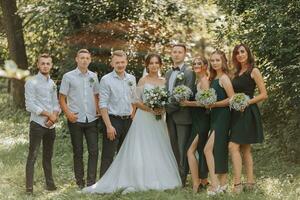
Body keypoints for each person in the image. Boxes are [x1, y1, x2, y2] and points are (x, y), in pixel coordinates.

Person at [83, 53, 181, 194]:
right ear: (147, 65)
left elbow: (163, 100)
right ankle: (109, 181)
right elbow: (136, 100)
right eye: (151, 63)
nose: (154, 65)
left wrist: (161, 109)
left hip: (156, 120)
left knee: (156, 148)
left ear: (160, 64)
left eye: (156, 63)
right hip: (141, 118)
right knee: (131, 150)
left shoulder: (156, 80)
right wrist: (150, 109)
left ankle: (152, 177)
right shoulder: (141, 80)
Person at [229, 44, 268, 193]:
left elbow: (264, 94)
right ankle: (250, 183)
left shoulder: (254, 71)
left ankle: (238, 185)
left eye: (242, 51)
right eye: (237, 53)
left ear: (248, 53)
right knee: (244, 149)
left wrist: (246, 102)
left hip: (248, 112)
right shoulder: (236, 72)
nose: (240, 55)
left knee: (233, 146)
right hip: (236, 113)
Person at [59, 49, 100, 189]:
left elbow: (96, 95)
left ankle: (91, 182)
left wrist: (98, 110)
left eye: (87, 58)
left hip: (92, 119)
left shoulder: (94, 76)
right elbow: (62, 98)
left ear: (90, 60)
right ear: (77, 59)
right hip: (75, 119)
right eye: (82, 57)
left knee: (94, 151)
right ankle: (80, 182)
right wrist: (68, 113)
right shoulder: (68, 76)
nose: (84, 60)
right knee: (78, 151)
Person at [24, 53, 60, 194]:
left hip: (50, 125)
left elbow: (56, 104)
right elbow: (30, 105)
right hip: (37, 125)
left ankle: (50, 185)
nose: (45, 65)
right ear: (38, 65)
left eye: (48, 63)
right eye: (42, 63)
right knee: (32, 156)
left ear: (51, 65)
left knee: (48, 156)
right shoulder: (31, 82)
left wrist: (53, 117)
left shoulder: (52, 83)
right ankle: (29, 189)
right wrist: (48, 114)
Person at [98, 50, 136, 178]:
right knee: (108, 154)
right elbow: (102, 104)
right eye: (117, 62)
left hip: (129, 121)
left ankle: (123, 181)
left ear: (126, 62)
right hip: (113, 121)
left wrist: (134, 114)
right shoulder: (106, 80)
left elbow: (134, 99)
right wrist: (108, 126)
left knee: (126, 153)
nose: (120, 65)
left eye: (122, 62)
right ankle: (103, 183)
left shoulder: (131, 78)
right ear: (112, 63)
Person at [204, 50, 234, 195]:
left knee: (207, 149)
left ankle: (215, 184)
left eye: (217, 60)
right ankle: (222, 185)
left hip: (223, 116)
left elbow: (231, 98)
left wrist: (214, 104)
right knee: (218, 149)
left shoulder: (224, 79)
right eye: (213, 60)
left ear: (223, 61)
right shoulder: (213, 78)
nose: (215, 63)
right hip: (214, 116)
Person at [165, 44, 195, 185]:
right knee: (173, 146)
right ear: (171, 54)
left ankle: (182, 179)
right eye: (174, 52)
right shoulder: (168, 73)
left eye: (179, 52)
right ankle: (175, 175)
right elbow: (166, 93)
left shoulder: (189, 72)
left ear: (185, 54)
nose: (176, 54)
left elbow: (186, 94)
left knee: (183, 147)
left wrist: (167, 108)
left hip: (183, 115)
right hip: (169, 116)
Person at [180, 56, 210, 192]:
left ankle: (196, 182)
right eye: (194, 63)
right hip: (196, 119)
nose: (196, 65)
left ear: (205, 65)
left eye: (199, 63)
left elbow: (205, 103)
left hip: (202, 120)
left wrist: (187, 103)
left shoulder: (204, 81)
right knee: (198, 150)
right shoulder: (197, 80)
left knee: (189, 150)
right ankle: (203, 181)